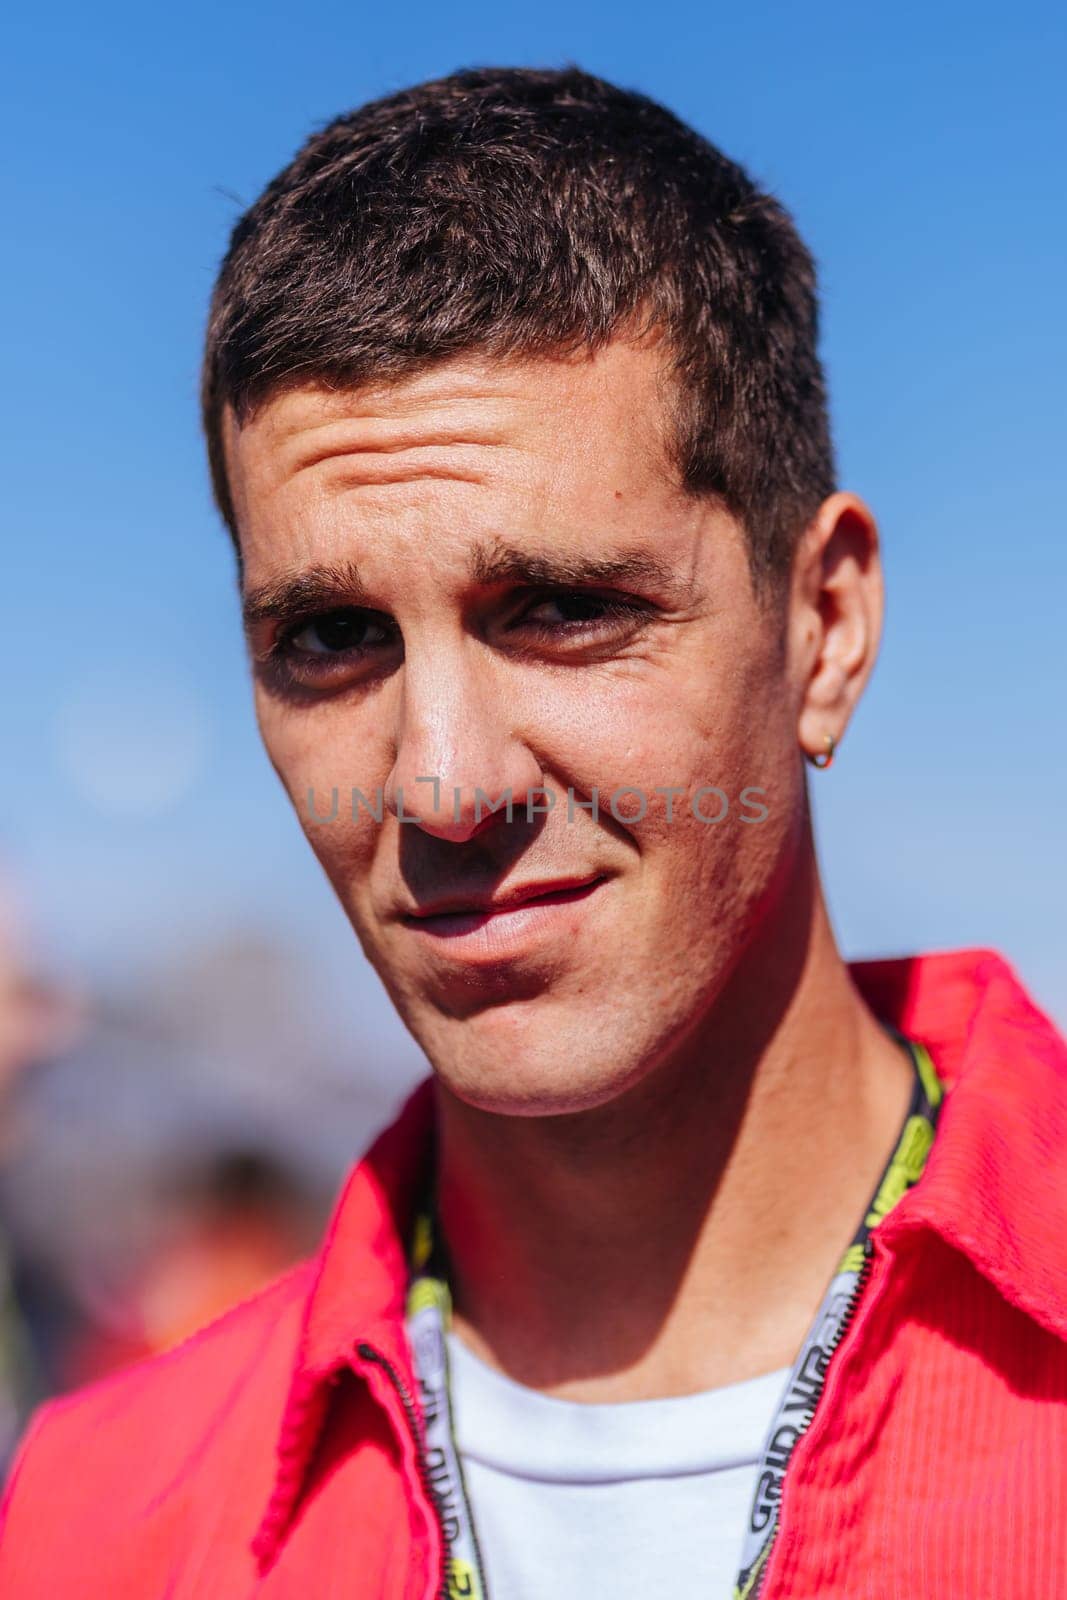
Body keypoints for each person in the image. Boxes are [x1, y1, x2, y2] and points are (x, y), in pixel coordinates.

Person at [1, 65, 1065, 1599]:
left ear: (823, 627)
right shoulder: (106, 1515)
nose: (438, 784)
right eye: (332, 638)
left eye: (564, 611)